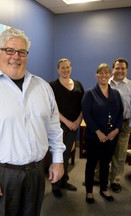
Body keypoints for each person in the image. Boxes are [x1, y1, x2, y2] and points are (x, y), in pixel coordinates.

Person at [0, 28, 65, 216]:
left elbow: (54, 128)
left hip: (36, 173)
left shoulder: (43, 87)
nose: (16, 56)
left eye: (21, 52)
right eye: (9, 50)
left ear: (26, 55)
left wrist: (57, 160)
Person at [82, 63, 123, 204]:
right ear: (96, 75)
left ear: (109, 74)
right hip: (95, 136)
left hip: (112, 137)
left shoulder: (116, 94)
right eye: (101, 73)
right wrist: (97, 132)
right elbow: (86, 115)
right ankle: (89, 192)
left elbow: (120, 114)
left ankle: (104, 189)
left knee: (106, 163)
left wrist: (116, 130)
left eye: (106, 72)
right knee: (91, 164)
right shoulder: (90, 93)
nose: (104, 75)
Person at [49, 58, 84, 197]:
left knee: (67, 154)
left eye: (68, 67)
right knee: (58, 156)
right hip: (59, 126)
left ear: (71, 68)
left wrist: (78, 121)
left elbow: (83, 105)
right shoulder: (52, 86)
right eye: (62, 68)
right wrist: (68, 122)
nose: (65, 70)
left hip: (74, 126)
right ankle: (55, 185)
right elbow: (52, 108)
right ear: (58, 70)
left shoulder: (78, 84)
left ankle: (64, 180)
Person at [108, 58, 131, 193]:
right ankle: (98, 176)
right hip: (106, 124)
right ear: (113, 69)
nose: (120, 70)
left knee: (120, 154)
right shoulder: (105, 83)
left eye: (123, 68)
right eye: (117, 68)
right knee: (102, 152)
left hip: (124, 123)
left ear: (126, 70)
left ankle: (115, 180)